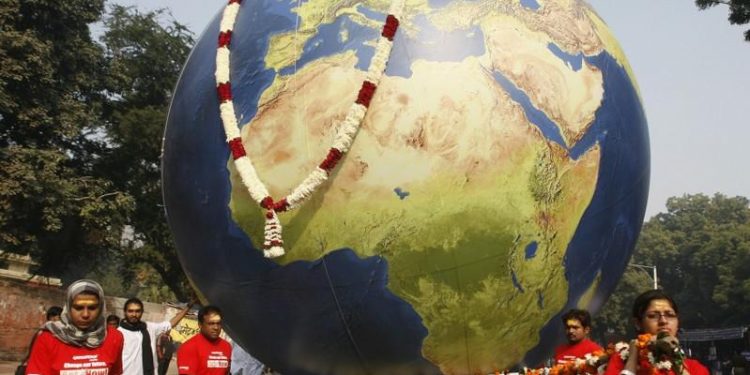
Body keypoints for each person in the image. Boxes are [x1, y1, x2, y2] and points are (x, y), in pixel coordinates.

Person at [25, 279, 124, 374]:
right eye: (78, 308)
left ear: (101, 308)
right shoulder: (48, 338)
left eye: (92, 308)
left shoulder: (114, 337)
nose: (85, 314)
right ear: (68, 307)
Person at [604, 290, 710, 375]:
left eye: (670, 315)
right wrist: (632, 358)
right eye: (653, 316)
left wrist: (676, 360)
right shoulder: (621, 360)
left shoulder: (695, 368)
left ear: (678, 322)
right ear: (638, 323)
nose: (663, 321)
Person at [119, 297, 193, 375]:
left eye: (137, 311)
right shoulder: (118, 333)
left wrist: (188, 307)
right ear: (125, 312)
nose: (134, 314)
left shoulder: (149, 328)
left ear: (142, 312)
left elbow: (170, 324)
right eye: (130, 311)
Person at [177, 305, 232, 374]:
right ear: (200, 325)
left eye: (218, 323)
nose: (216, 327)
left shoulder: (226, 346)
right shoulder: (189, 347)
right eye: (211, 323)